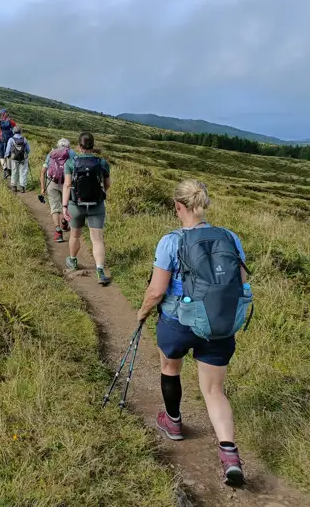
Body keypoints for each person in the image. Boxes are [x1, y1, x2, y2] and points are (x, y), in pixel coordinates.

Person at [136, 180, 250, 487]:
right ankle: (229, 456)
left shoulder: (170, 241)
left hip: (178, 321)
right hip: (218, 324)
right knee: (214, 391)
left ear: (178, 207)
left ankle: (173, 424)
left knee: (170, 368)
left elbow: (157, 290)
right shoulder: (230, 238)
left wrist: (143, 312)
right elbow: (239, 281)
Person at [61, 132, 112, 285]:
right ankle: (100, 271)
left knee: (75, 236)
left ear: (79, 145)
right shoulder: (102, 163)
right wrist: (101, 194)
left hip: (76, 204)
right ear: (93, 145)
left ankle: (73, 261)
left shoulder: (71, 162)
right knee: (97, 240)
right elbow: (107, 184)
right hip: (96, 205)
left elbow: (67, 185)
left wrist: (64, 206)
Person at [41, 139, 76, 243]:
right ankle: (64, 221)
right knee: (67, 204)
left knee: (55, 207)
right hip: (67, 182)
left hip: (52, 182)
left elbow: (43, 171)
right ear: (68, 146)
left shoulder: (52, 153)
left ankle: (58, 232)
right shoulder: (72, 153)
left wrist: (43, 187)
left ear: (57, 145)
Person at [4, 125, 31, 193]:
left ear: (14, 131)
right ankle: (22, 187)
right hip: (23, 158)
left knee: (14, 171)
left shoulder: (11, 139)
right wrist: (26, 154)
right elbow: (28, 150)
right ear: (20, 131)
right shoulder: (24, 139)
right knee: (23, 172)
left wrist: (7, 156)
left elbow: (8, 150)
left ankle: (14, 186)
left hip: (14, 158)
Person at [0, 109, 16, 179]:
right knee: (8, 155)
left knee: (1, 156)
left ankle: (5, 169)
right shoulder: (11, 121)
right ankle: (9, 170)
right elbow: (15, 131)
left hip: (0, 140)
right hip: (10, 141)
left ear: (1, 114)